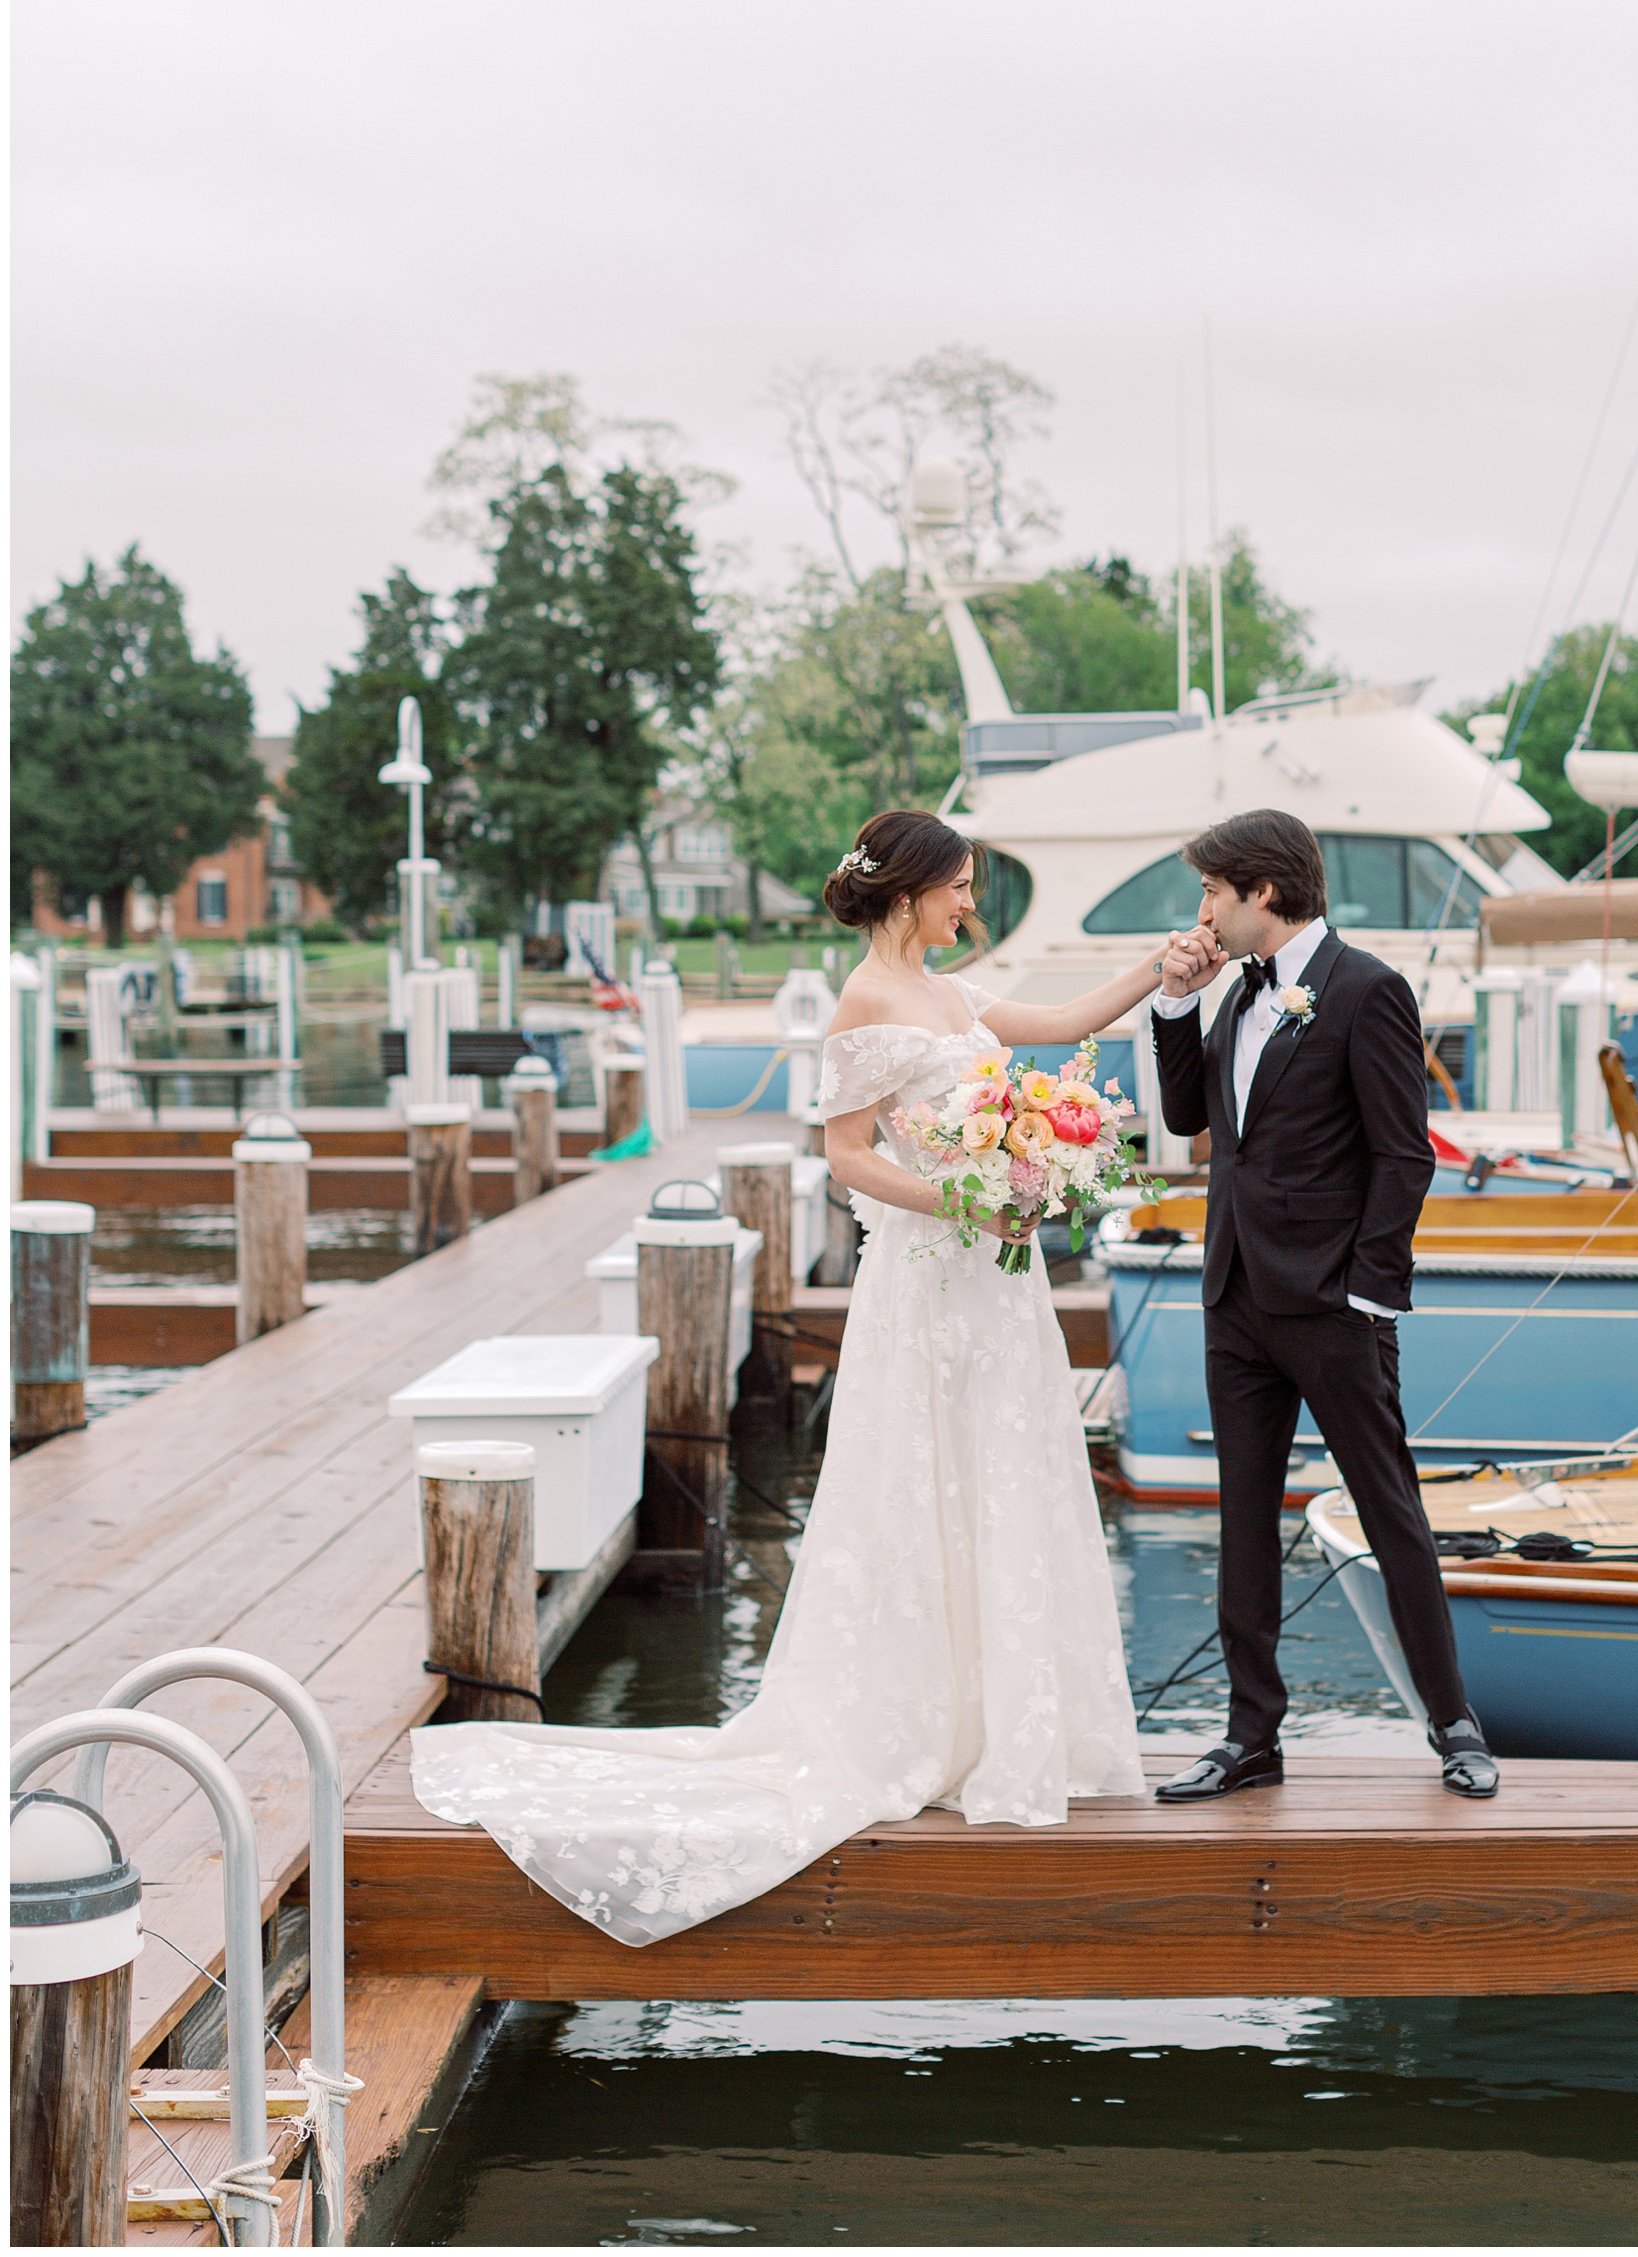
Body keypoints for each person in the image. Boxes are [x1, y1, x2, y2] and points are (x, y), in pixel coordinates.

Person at [409, 807, 1172, 1942]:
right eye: (960, 885)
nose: (971, 901)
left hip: (994, 1291)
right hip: (926, 1277)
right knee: (917, 1481)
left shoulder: (960, 999)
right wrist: (968, 1193)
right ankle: (916, 1723)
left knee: (1006, 1474)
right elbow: (850, 1153)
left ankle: (1009, 1726)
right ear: (909, 894)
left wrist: (1163, 967)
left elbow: (1062, 1021)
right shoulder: (866, 1001)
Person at [1147, 808, 1499, 1803]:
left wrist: (1365, 1287)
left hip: (1333, 1307)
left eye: (1211, 889)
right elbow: (1192, 1120)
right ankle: (1249, 1735)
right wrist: (1175, 1005)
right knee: (1243, 1521)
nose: (1202, 910)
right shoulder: (1234, 990)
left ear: (1259, 890)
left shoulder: (1365, 988)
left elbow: (1403, 1152)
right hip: (1235, 1301)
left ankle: (1453, 1723)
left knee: (1391, 1512)